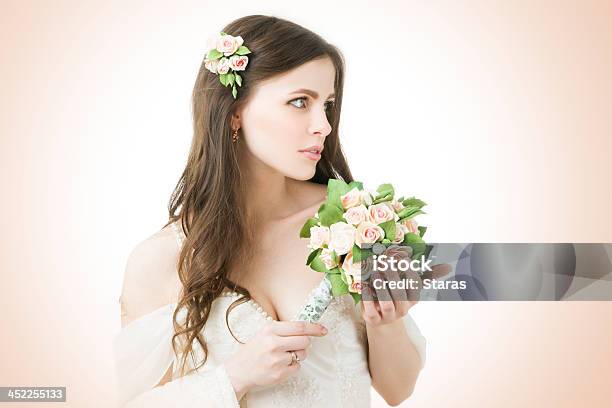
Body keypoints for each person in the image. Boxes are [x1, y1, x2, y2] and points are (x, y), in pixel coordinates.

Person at [113, 15, 427, 408]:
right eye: (300, 102)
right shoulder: (161, 259)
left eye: (327, 105)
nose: (324, 126)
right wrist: (236, 376)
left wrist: (388, 323)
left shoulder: (351, 224)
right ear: (234, 111)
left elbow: (399, 390)